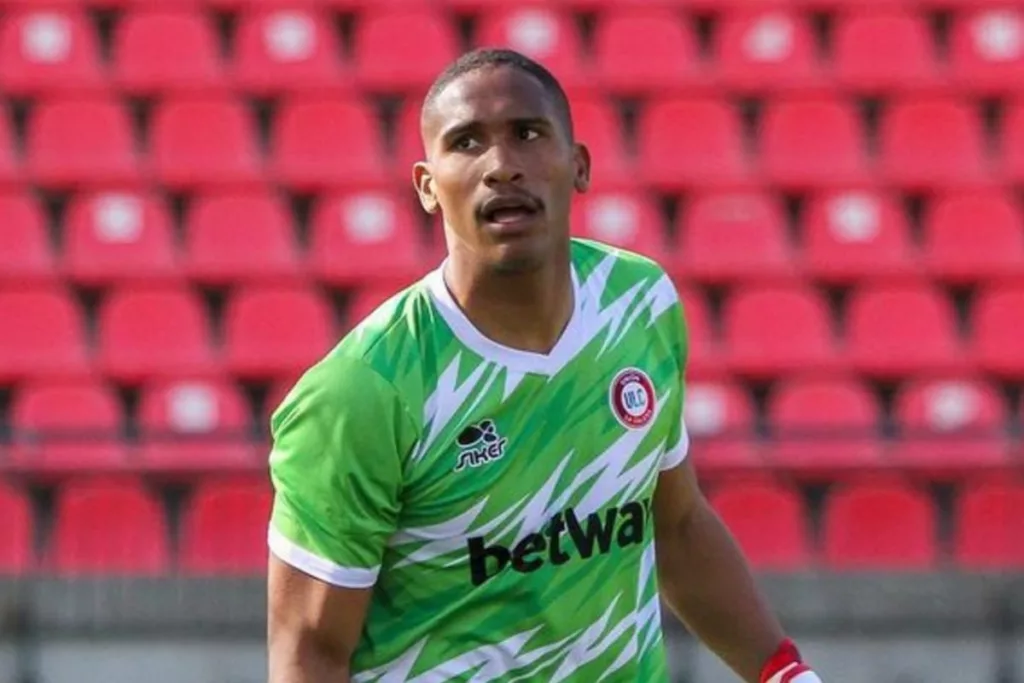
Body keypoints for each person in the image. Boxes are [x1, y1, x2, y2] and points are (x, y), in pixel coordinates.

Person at [266, 48, 823, 683]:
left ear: (578, 165)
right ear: (427, 186)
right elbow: (309, 652)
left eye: (527, 134)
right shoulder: (363, 390)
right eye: (467, 142)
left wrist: (784, 672)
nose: (501, 166)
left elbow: (677, 524)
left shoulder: (638, 304)